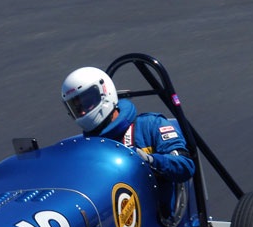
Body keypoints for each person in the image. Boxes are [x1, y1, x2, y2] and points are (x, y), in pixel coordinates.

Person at [61, 66, 195, 183]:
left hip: (158, 210)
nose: (83, 111)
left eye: (87, 102)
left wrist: (150, 161)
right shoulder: (83, 148)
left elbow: (185, 165)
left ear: (105, 92)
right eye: (77, 108)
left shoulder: (150, 125)